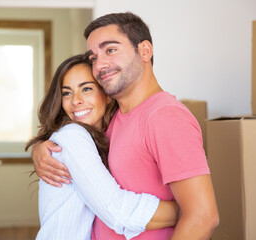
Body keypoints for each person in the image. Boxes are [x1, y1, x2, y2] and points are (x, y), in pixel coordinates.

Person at [32, 12, 219, 239]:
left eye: (110, 50)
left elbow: (202, 217)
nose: (99, 64)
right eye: (93, 57)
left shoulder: (165, 116)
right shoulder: (113, 119)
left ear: (145, 51)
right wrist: (43, 145)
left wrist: (185, 210)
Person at [26, 54, 179, 240]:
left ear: (107, 95)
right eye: (67, 93)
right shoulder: (73, 135)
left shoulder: (105, 135)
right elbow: (117, 211)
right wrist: (187, 211)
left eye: (87, 89)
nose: (76, 100)